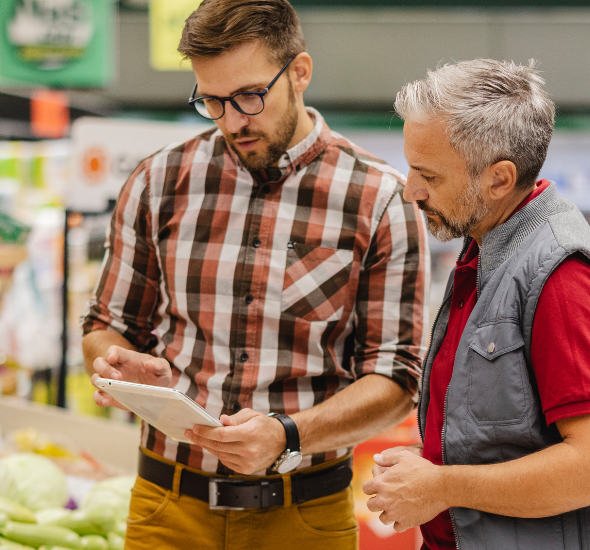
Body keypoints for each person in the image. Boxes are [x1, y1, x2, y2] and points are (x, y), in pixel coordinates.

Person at [81, 1, 429, 548]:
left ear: (299, 72)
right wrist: (117, 365)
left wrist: (288, 434)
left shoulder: (380, 199)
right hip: (167, 507)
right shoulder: (158, 182)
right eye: (212, 101)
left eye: (249, 96)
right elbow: (105, 325)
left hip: (305, 516)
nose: (232, 121)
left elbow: (398, 379)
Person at [361, 59, 590, 550]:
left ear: (499, 179)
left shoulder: (562, 280)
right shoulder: (486, 248)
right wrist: (434, 460)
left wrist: (442, 486)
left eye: (429, 175)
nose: (411, 191)